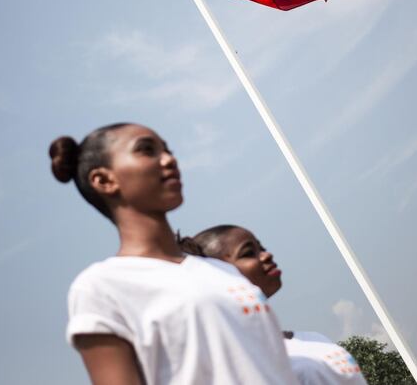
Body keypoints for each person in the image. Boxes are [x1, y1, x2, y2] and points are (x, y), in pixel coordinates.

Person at [50, 123, 298, 385]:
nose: (169, 160)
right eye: (147, 150)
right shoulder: (101, 287)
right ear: (104, 180)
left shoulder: (222, 271)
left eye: (167, 150)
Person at [184, 225, 368, 385]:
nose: (266, 255)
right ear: (217, 274)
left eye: (261, 247)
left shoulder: (311, 338)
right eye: (249, 253)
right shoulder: (236, 363)